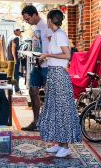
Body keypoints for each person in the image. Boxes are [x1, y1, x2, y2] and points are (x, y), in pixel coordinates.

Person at [38, 9, 82, 157]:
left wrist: (48, 54)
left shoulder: (61, 35)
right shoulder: (56, 35)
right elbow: (58, 50)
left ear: (50, 20)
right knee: (55, 109)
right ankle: (59, 143)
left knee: (63, 109)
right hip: (54, 73)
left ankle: (66, 146)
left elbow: (67, 55)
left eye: (48, 20)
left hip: (59, 75)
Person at [21, 5, 52, 131]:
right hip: (37, 64)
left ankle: (49, 123)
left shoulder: (46, 26)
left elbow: (54, 44)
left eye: (27, 19)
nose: (27, 22)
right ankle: (36, 121)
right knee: (32, 90)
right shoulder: (36, 28)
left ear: (34, 14)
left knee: (50, 94)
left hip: (48, 65)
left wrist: (46, 56)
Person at [7, 28, 22, 93]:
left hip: (9, 59)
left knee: (10, 75)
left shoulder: (10, 38)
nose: (20, 32)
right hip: (13, 59)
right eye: (19, 31)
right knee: (16, 74)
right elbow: (13, 48)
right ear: (15, 31)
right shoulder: (16, 38)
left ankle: (10, 90)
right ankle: (17, 89)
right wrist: (15, 58)